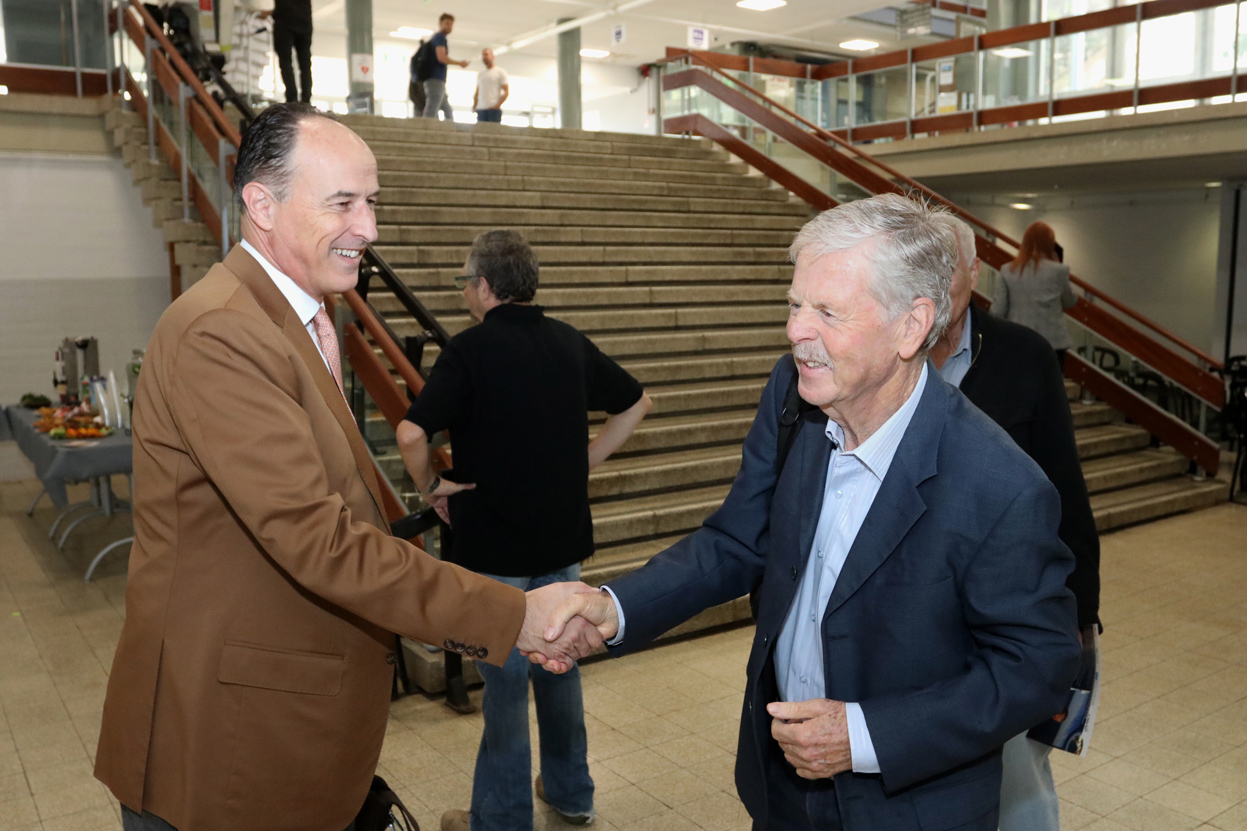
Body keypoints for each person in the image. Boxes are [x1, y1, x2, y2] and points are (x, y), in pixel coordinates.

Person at [93, 104, 598, 831]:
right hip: (221, 743)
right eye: (343, 203)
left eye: (372, 202)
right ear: (262, 205)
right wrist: (513, 615)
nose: (370, 228)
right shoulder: (223, 331)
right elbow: (318, 540)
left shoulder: (295, 320)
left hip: (278, 730)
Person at [535, 194, 1082, 831]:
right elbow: (739, 540)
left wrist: (864, 735)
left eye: (827, 311)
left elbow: (1037, 666)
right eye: (796, 305)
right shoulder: (793, 395)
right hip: (783, 788)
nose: (797, 330)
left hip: (909, 807)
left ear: (911, 326)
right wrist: (615, 608)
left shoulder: (1000, 483)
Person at [395, 230, 652, 831]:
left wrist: (431, 486)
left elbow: (410, 433)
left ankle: (502, 818)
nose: (464, 292)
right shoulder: (566, 340)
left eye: (465, 281)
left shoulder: (468, 350)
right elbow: (637, 403)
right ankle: (571, 793)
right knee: (561, 664)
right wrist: (585, 459)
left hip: (495, 549)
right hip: (562, 540)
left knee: (506, 684)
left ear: (485, 286)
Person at [931, 215, 1100, 831]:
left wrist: (1082, 613)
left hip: (1008, 602)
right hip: (919, 604)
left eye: (947, 267)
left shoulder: (1025, 356)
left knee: (1018, 776)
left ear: (976, 273)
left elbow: (1064, 486)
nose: (933, 282)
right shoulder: (886, 353)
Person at [992, 220, 1078, 365]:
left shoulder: (1007, 270)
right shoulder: (1058, 270)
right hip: (1053, 342)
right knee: (1051, 379)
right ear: (1050, 243)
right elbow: (1070, 301)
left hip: (1017, 339)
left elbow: (997, 311)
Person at [423, 13, 469, 120]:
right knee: (432, 108)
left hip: (439, 80)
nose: (449, 27)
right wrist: (460, 63)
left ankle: (450, 127)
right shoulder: (439, 37)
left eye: (451, 24)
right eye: (447, 23)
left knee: (447, 109)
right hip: (435, 78)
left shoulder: (439, 38)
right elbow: (442, 58)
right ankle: (426, 127)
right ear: (440, 23)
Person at [265, 0, 313, 103]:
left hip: (284, 24)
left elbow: (285, 7)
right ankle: (306, 99)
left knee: (285, 62)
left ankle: (292, 98)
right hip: (304, 22)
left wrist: (272, 13)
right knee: (305, 65)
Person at [473, 48, 509, 123]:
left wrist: (497, 105)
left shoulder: (500, 72)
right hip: (481, 109)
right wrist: (475, 105)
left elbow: (506, 91)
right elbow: (477, 91)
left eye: (486, 54)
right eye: (483, 55)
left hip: (493, 110)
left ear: (492, 56)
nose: (484, 57)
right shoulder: (481, 73)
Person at [409, 38, 429, 116]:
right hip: (419, 108)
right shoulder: (414, 78)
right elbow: (412, 94)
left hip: (429, 106)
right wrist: (421, 107)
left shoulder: (430, 79)